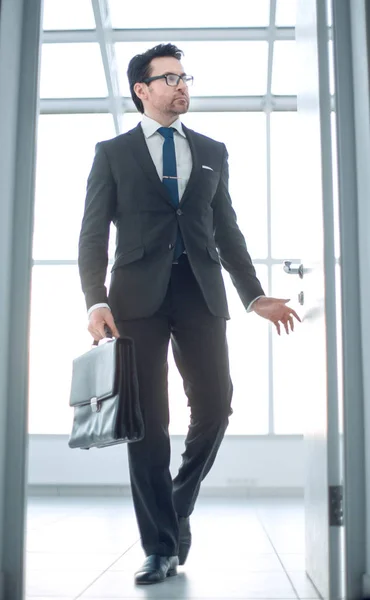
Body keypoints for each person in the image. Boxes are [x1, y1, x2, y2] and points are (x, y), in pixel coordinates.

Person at [78, 43, 300, 586]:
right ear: (142, 90)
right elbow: (92, 232)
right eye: (169, 77)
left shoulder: (211, 150)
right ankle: (159, 547)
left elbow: (226, 230)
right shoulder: (113, 153)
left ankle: (177, 502)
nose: (181, 86)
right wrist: (95, 299)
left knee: (216, 406)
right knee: (148, 425)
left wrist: (254, 295)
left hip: (200, 292)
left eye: (185, 76)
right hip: (134, 301)